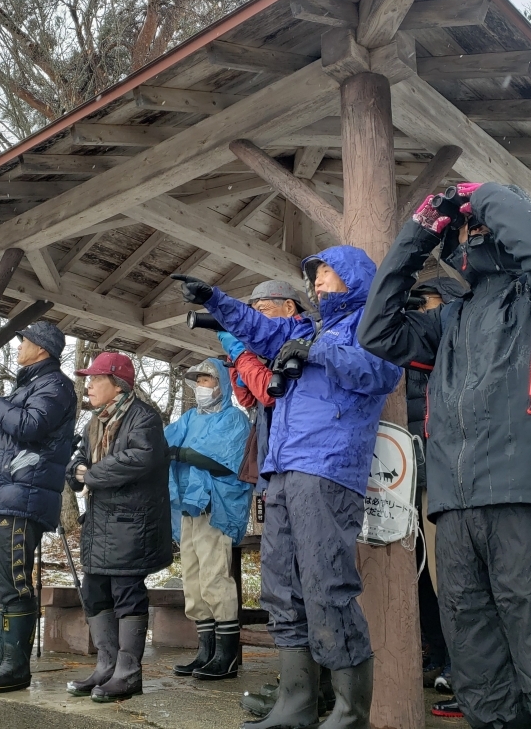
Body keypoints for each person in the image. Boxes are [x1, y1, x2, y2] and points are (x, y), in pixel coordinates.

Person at [358, 183, 531, 729]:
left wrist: (487, 195)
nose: (470, 233)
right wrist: (419, 232)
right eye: (463, 229)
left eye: (478, 225)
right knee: (484, 693)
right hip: (457, 513)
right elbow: (376, 330)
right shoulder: (450, 318)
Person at [173, 244, 401, 729]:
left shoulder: (372, 323)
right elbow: (260, 329)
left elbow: (379, 372)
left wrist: (317, 350)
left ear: (354, 277)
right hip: (282, 468)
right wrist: (216, 300)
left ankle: (349, 711)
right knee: (281, 585)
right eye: (313, 275)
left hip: (328, 465)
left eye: (327, 273)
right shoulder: (306, 329)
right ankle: (296, 702)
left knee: (325, 583)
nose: (317, 282)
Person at [216, 282, 336, 720]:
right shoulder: (268, 346)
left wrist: (243, 353)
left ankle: (319, 689)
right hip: (278, 472)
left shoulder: (306, 340)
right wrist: (237, 355)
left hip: (314, 474)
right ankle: (298, 687)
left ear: (289, 307)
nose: (256, 320)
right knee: (282, 586)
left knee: (315, 582)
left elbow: (269, 390)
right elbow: (247, 396)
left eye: (263, 310)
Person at [0, 320, 77, 694]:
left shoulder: (54, 386)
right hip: (5, 494)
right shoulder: (29, 385)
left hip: (21, 497)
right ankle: (1, 661)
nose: (18, 346)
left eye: (23, 340)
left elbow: (29, 426)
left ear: (41, 348)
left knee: (13, 583)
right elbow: (7, 440)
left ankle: (16, 668)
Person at [64, 352, 173, 702]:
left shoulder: (144, 418)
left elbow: (137, 459)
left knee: (127, 591)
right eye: (89, 378)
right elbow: (80, 458)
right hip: (100, 521)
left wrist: (90, 474)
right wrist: (78, 470)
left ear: (117, 383)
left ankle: (129, 673)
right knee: (94, 591)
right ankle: (105, 667)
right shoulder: (94, 422)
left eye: (96, 378)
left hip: (132, 523)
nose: (90, 385)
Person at [402, 278, 467, 720]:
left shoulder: (456, 346)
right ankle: (436, 655)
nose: (419, 313)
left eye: (425, 304)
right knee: (419, 578)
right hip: (404, 480)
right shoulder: (411, 352)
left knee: (451, 576)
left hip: (443, 478)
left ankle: (465, 670)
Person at [165, 358, 252, 681]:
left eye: (207, 380)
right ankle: (206, 651)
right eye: (198, 380)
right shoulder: (189, 418)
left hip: (216, 508)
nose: (201, 386)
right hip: (190, 507)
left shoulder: (235, 420)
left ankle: (227, 656)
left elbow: (226, 463)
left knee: (216, 578)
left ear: (222, 384)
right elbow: (162, 442)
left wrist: (183, 454)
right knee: (193, 581)